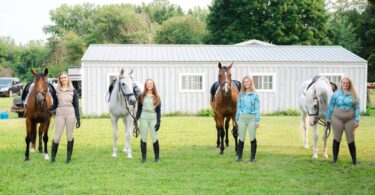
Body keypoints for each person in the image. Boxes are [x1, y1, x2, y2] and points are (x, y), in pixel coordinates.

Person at [326, 77, 360, 165]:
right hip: (337, 118)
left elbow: (357, 108)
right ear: (341, 84)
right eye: (344, 83)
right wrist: (328, 118)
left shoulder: (354, 94)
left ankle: (354, 161)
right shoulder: (336, 94)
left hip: (350, 119)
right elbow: (331, 106)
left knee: (350, 138)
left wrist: (357, 120)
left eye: (347, 83)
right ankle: (334, 160)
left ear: (350, 84)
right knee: (337, 138)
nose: (345, 84)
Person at [49, 72, 80, 164]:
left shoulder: (73, 90)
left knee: (70, 136)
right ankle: (53, 159)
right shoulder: (57, 90)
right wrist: (47, 108)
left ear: (68, 78)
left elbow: (76, 106)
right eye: (62, 78)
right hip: (60, 114)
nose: (64, 79)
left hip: (70, 113)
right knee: (57, 137)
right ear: (60, 80)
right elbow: (55, 104)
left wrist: (78, 119)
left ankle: (68, 159)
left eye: (65, 78)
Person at [135, 79, 161, 164]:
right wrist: (136, 119)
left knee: (154, 138)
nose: (149, 85)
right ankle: (144, 158)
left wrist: (158, 121)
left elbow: (158, 110)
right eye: (147, 84)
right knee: (143, 138)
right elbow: (139, 109)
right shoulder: (141, 96)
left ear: (153, 85)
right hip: (143, 118)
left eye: (151, 83)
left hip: (153, 118)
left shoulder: (157, 97)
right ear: (145, 85)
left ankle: (157, 158)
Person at [235, 76, 260, 162]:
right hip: (242, 118)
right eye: (244, 82)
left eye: (247, 82)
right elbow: (238, 108)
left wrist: (257, 120)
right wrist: (236, 119)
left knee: (252, 137)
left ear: (251, 83)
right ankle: (239, 157)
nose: (246, 83)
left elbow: (257, 109)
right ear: (243, 84)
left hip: (252, 119)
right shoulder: (241, 95)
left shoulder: (255, 95)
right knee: (241, 138)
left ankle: (252, 158)